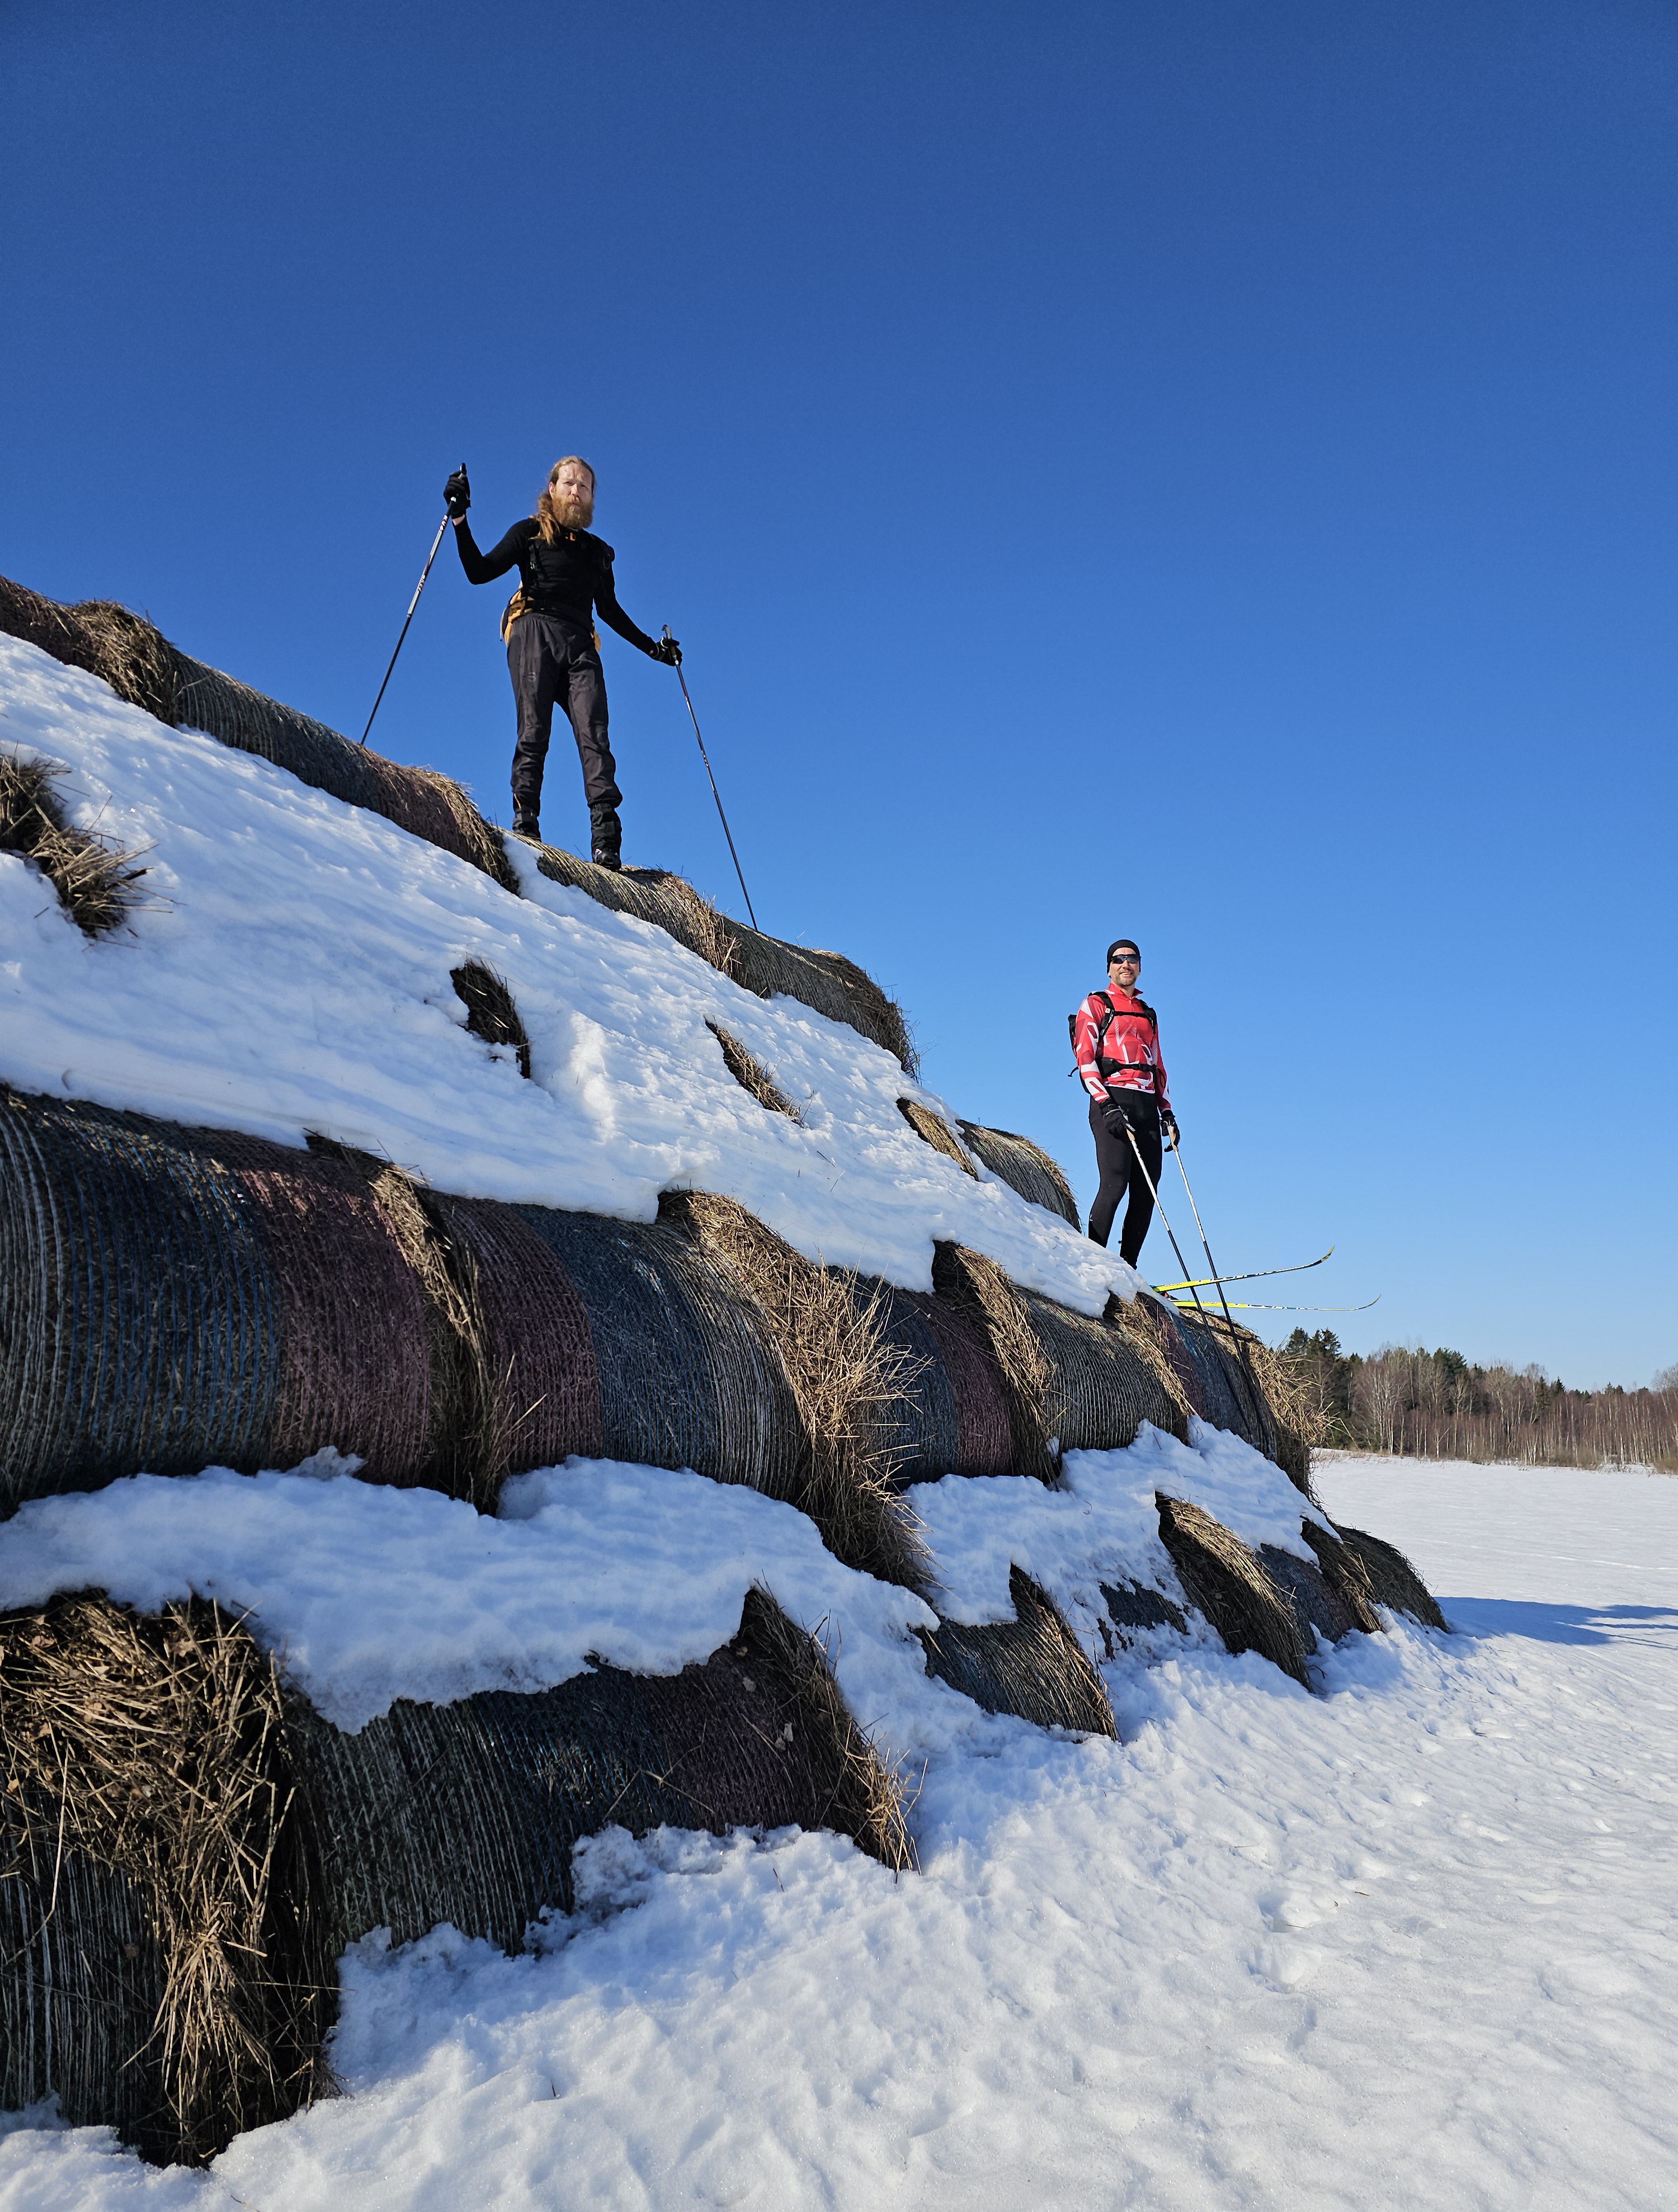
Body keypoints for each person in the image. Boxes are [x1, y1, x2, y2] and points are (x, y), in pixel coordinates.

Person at [442, 457, 680, 866]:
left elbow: (610, 611)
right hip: (534, 629)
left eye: (584, 486)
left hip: (581, 642)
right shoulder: (529, 532)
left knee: (595, 735)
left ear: (591, 499)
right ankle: (526, 825)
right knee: (534, 729)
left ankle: (606, 842)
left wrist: (654, 650)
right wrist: (460, 519)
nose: (576, 491)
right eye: (569, 483)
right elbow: (479, 572)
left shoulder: (596, 553)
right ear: (552, 489)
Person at [1072, 938, 1180, 1266]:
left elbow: (1158, 1065)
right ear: (1109, 968)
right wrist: (1106, 1105)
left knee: (1147, 1191)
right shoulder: (1095, 1004)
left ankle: (1127, 1269)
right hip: (1112, 1098)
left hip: (1146, 1104)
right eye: (1118, 960)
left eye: (1132, 959)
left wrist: (1167, 1112)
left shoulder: (1149, 1014)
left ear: (1140, 967)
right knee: (1115, 1182)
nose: (1125, 964)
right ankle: (1094, 1263)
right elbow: (1085, 1058)